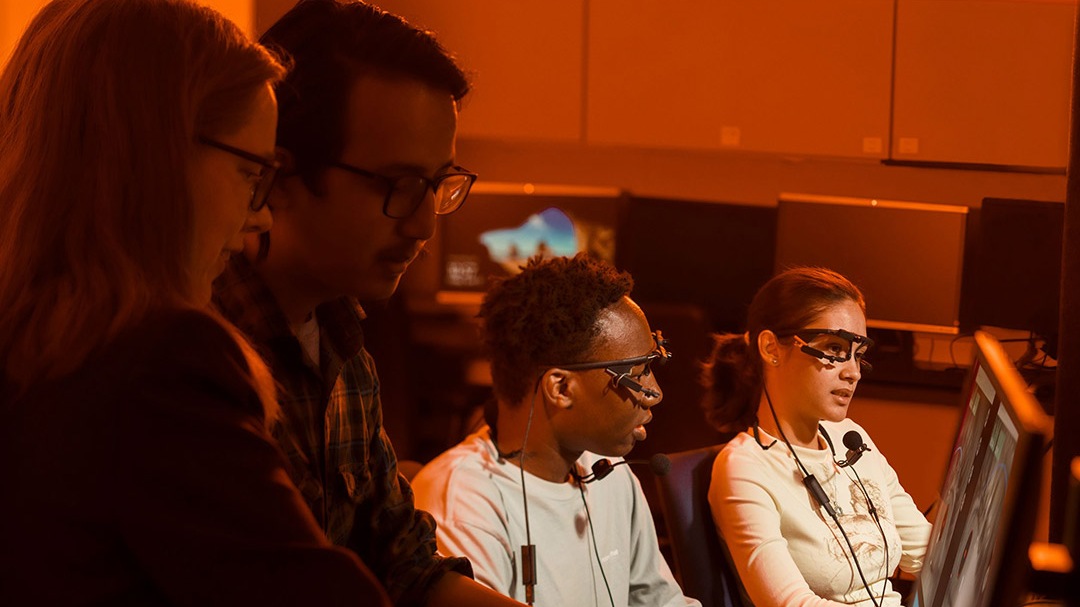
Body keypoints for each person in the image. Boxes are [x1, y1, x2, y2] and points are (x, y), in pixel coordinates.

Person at [0, 0, 391, 605]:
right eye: (251, 174)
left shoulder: (31, 344)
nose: (259, 216)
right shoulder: (160, 362)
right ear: (159, 153)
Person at [212, 2, 519, 605]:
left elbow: (408, 567)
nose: (426, 224)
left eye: (438, 184)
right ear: (280, 174)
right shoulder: (203, 358)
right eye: (398, 186)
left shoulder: (340, 341)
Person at [411, 254, 702, 607]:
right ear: (561, 388)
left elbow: (661, 602)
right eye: (636, 373)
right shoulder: (463, 503)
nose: (655, 393)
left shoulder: (611, 474)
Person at [702, 266, 931, 607]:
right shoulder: (744, 468)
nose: (852, 372)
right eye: (834, 349)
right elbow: (791, 604)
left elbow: (929, 552)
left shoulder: (850, 437)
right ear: (771, 348)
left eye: (858, 354)